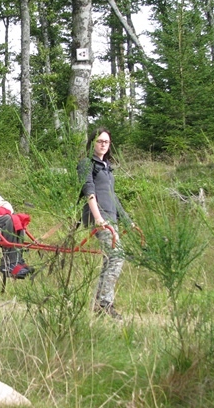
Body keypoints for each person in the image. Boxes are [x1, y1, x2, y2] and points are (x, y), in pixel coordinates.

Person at [81, 127, 133, 320]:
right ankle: (104, 303)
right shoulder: (87, 163)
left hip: (111, 217)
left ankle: (100, 303)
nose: (103, 145)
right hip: (100, 217)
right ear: (92, 143)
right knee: (116, 257)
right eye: (99, 141)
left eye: (106, 142)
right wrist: (97, 218)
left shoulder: (107, 167)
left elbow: (112, 196)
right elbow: (89, 190)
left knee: (110, 259)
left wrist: (128, 221)